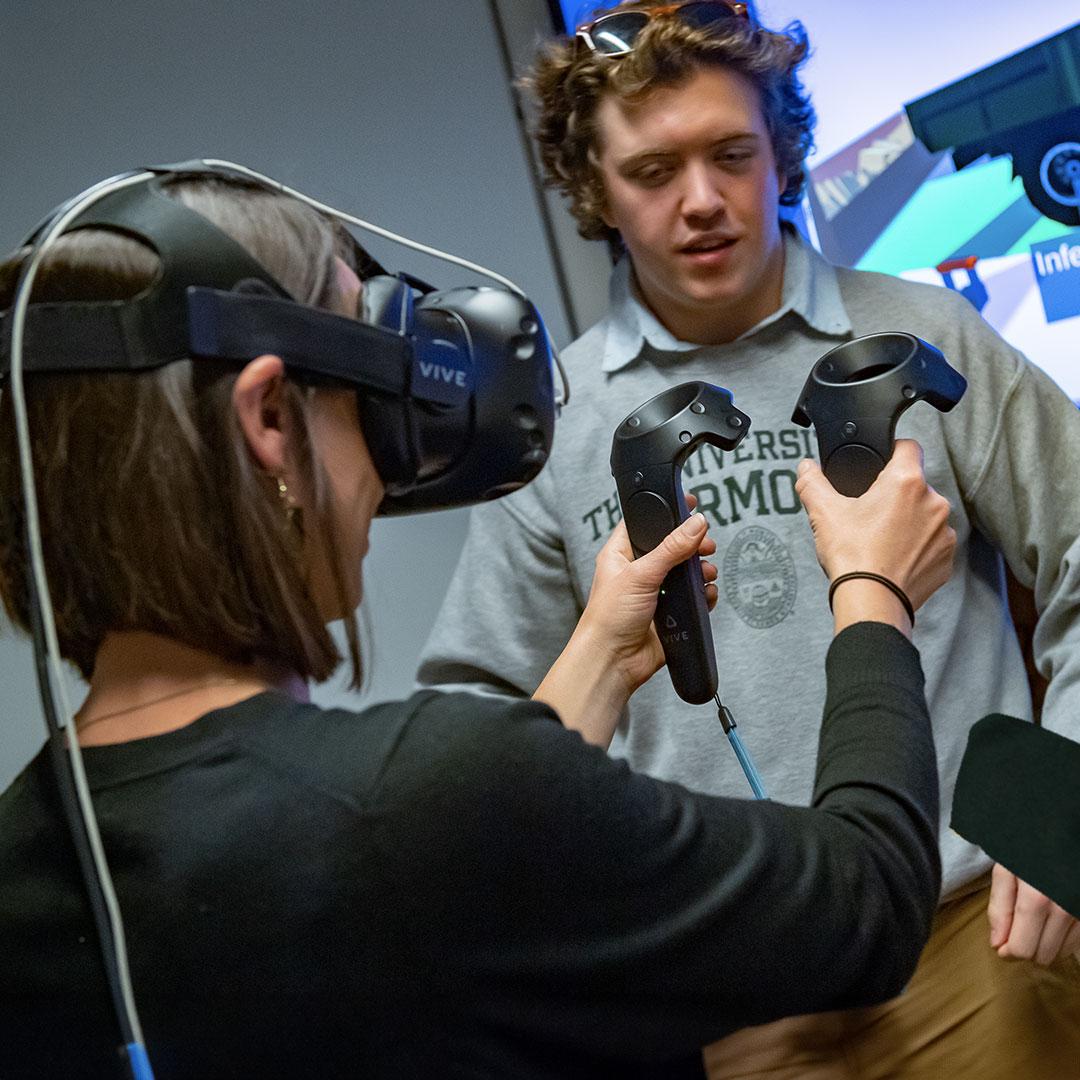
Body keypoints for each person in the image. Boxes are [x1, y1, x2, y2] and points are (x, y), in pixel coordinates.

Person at [0, 168, 955, 1079]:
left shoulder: (24, 865)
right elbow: (864, 905)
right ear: (271, 425)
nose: (378, 467)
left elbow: (466, 874)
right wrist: (875, 587)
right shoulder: (427, 800)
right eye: (365, 401)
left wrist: (601, 657)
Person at [417, 3, 1080, 1077]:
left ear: (782, 154)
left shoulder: (926, 334)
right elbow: (479, 732)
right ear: (594, 191)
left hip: (982, 947)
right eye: (651, 172)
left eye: (732, 155)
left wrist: (1063, 800)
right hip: (739, 1001)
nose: (702, 202)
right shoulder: (560, 421)